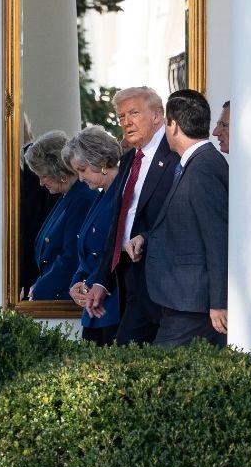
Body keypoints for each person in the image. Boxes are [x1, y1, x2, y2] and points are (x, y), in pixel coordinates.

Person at [123, 89, 228, 347]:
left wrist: (219, 302)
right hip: (183, 301)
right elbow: (185, 224)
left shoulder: (204, 167)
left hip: (193, 305)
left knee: (156, 377)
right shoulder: (193, 163)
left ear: (173, 125)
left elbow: (218, 238)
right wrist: (145, 238)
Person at [82, 87, 179, 344]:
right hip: (128, 279)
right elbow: (118, 227)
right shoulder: (128, 161)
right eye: (122, 116)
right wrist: (101, 283)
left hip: (164, 283)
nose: (126, 122)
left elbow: (179, 217)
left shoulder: (176, 156)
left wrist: (146, 237)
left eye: (134, 113)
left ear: (158, 116)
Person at [65, 126, 124, 345]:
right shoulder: (102, 195)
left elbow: (113, 249)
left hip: (112, 306)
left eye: (83, 169)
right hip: (94, 308)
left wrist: (90, 285)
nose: (80, 178)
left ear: (100, 162)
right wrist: (76, 284)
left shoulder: (121, 193)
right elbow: (86, 252)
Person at [24, 130, 96, 301]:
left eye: (44, 176)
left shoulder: (81, 199)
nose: (41, 183)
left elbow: (71, 256)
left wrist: (40, 290)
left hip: (64, 297)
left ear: (59, 171)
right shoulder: (66, 197)